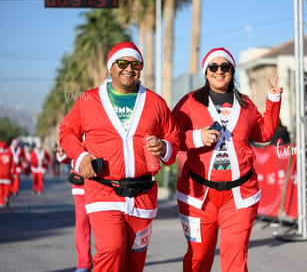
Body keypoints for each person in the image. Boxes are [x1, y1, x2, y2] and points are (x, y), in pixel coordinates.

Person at [59, 41, 180, 272]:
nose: (129, 68)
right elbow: (67, 132)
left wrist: (164, 147)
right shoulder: (89, 100)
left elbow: (174, 137)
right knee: (111, 250)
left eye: (136, 64)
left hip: (143, 195)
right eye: (122, 63)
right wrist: (81, 156)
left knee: (134, 262)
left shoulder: (155, 102)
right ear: (111, 68)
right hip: (103, 190)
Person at [172, 47, 283, 272]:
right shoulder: (190, 102)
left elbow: (264, 135)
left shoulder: (246, 104)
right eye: (214, 67)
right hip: (198, 197)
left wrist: (273, 100)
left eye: (225, 67)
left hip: (239, 197)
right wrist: (197, 137)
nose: (219, 71)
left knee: (235, 259)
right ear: (206, 72)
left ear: (232, 71)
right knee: (198, 258)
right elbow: (170, 138)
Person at [55, 144, 93, 272]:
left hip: (101, 187)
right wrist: (62, 151)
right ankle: (84, 264)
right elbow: (66, 156)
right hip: (80, 187)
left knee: (103, 228)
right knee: (82, 226)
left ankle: (102, 264)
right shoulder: (74, 127)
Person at [0, 141, 14, 207]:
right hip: (7, 173)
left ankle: (1, 201)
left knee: (0, 188)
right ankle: (6, 196)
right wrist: (12, 173)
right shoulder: (10, 154)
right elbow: (12, 165)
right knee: (6, 187)